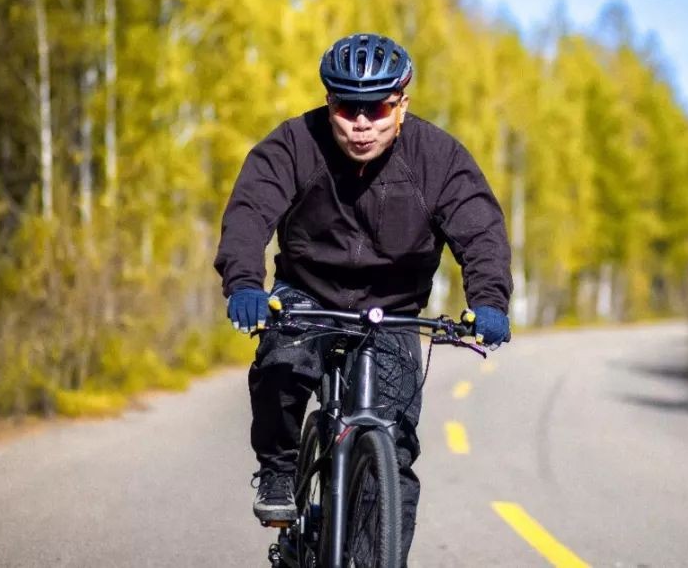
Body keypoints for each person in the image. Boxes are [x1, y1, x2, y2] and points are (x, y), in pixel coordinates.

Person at [213, 33, 512, 562]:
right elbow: (250, 210)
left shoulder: (437, 158)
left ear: (402, 105)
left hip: (391, 312)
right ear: (328, 102)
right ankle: (280, 469)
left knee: (391, 453)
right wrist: (243, 283)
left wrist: (489, 301)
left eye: (375, 108)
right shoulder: (295, 144)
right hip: (308, 295)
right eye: (346, 106)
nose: (360, 123)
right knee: (282, 362)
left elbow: (479, 230)